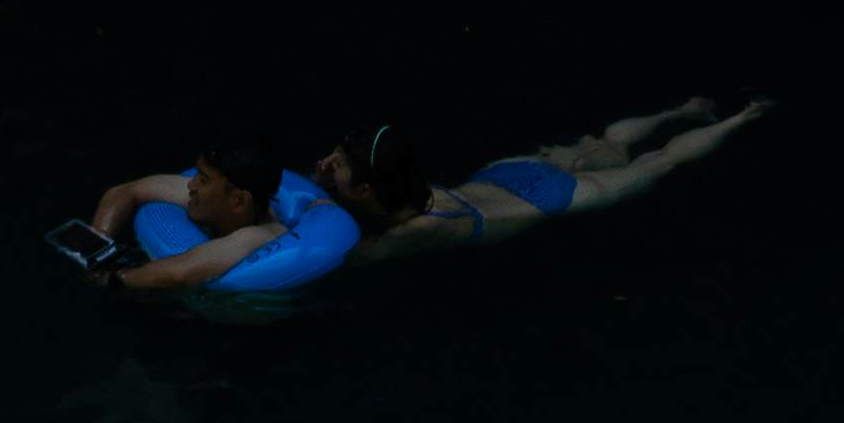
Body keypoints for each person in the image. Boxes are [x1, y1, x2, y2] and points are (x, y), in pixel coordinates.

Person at [314, 99, 771, 254]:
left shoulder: (407, 234)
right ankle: (684, 109)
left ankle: (743, 118)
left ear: (367, 187)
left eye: (338, 163)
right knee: (606, 144)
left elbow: (347, 260)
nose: (329, 164)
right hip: (510, 175)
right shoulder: (411, 189)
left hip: (550, 199)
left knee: (660, 162)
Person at [71, 148, 362, 302]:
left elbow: (181, 273)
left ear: (238, 201)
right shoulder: (213, 197)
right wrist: (97, 247)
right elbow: (125, 191)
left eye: (204, 179)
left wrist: (113, 279)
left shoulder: (256, 237)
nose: (192, 185)